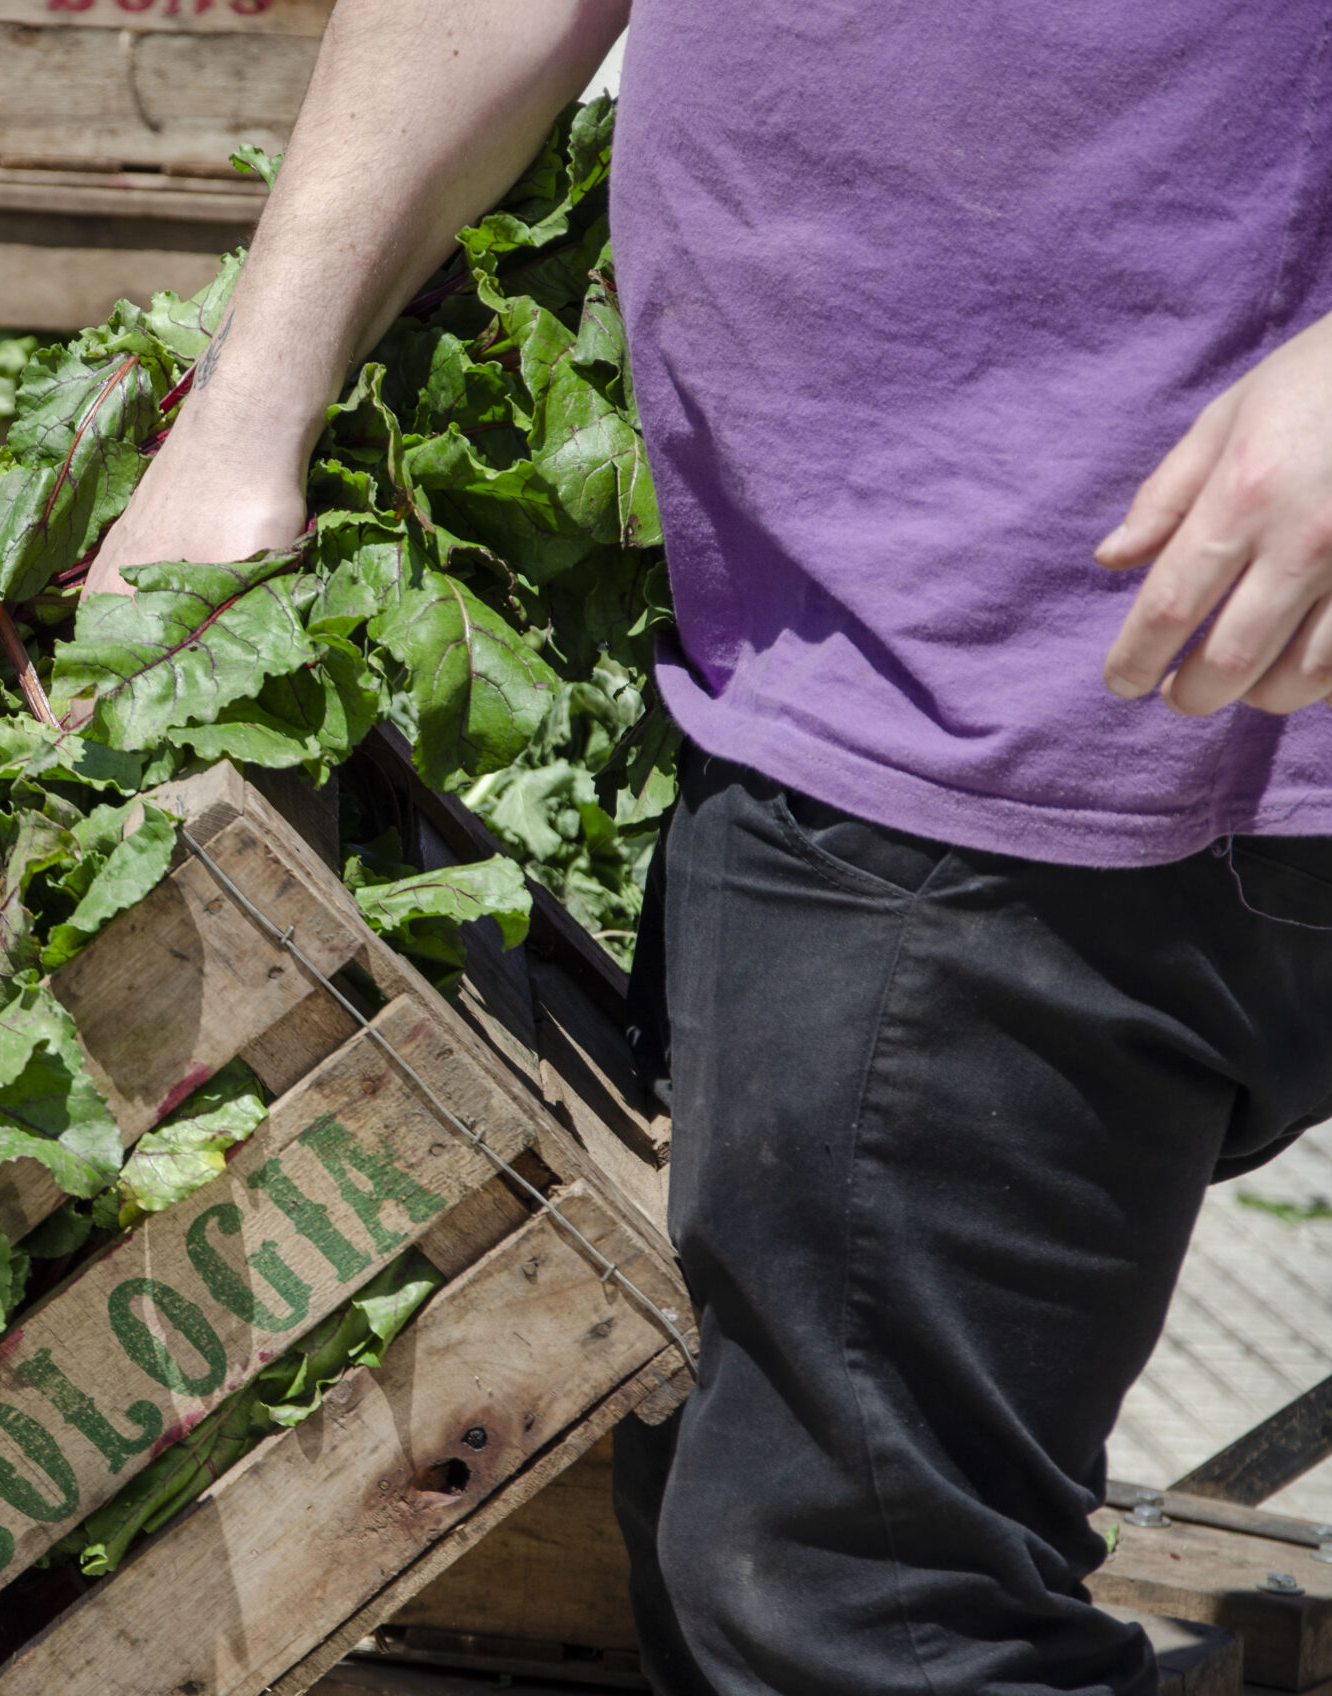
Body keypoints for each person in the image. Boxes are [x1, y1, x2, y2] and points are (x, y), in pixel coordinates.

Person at [81, 3, 1332, 1692]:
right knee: (753, 1526)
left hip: (1069, 664)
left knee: (862, 1613)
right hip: (834, 634)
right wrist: (252, 400)